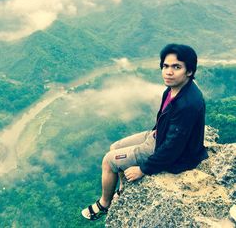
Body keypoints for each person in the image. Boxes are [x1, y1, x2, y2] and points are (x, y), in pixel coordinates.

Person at [81, 44, 208, 220]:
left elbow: (173, 147)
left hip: (170, 152)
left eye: (176, 67)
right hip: (157, 136)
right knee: (114, 147)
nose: (168, 72)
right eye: (165, 66)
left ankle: (105, 204)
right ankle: (123, 189)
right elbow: (164, 121)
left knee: (109, 161)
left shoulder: (187, 104)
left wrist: (143, 169)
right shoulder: (173, 90)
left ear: (189, 71)